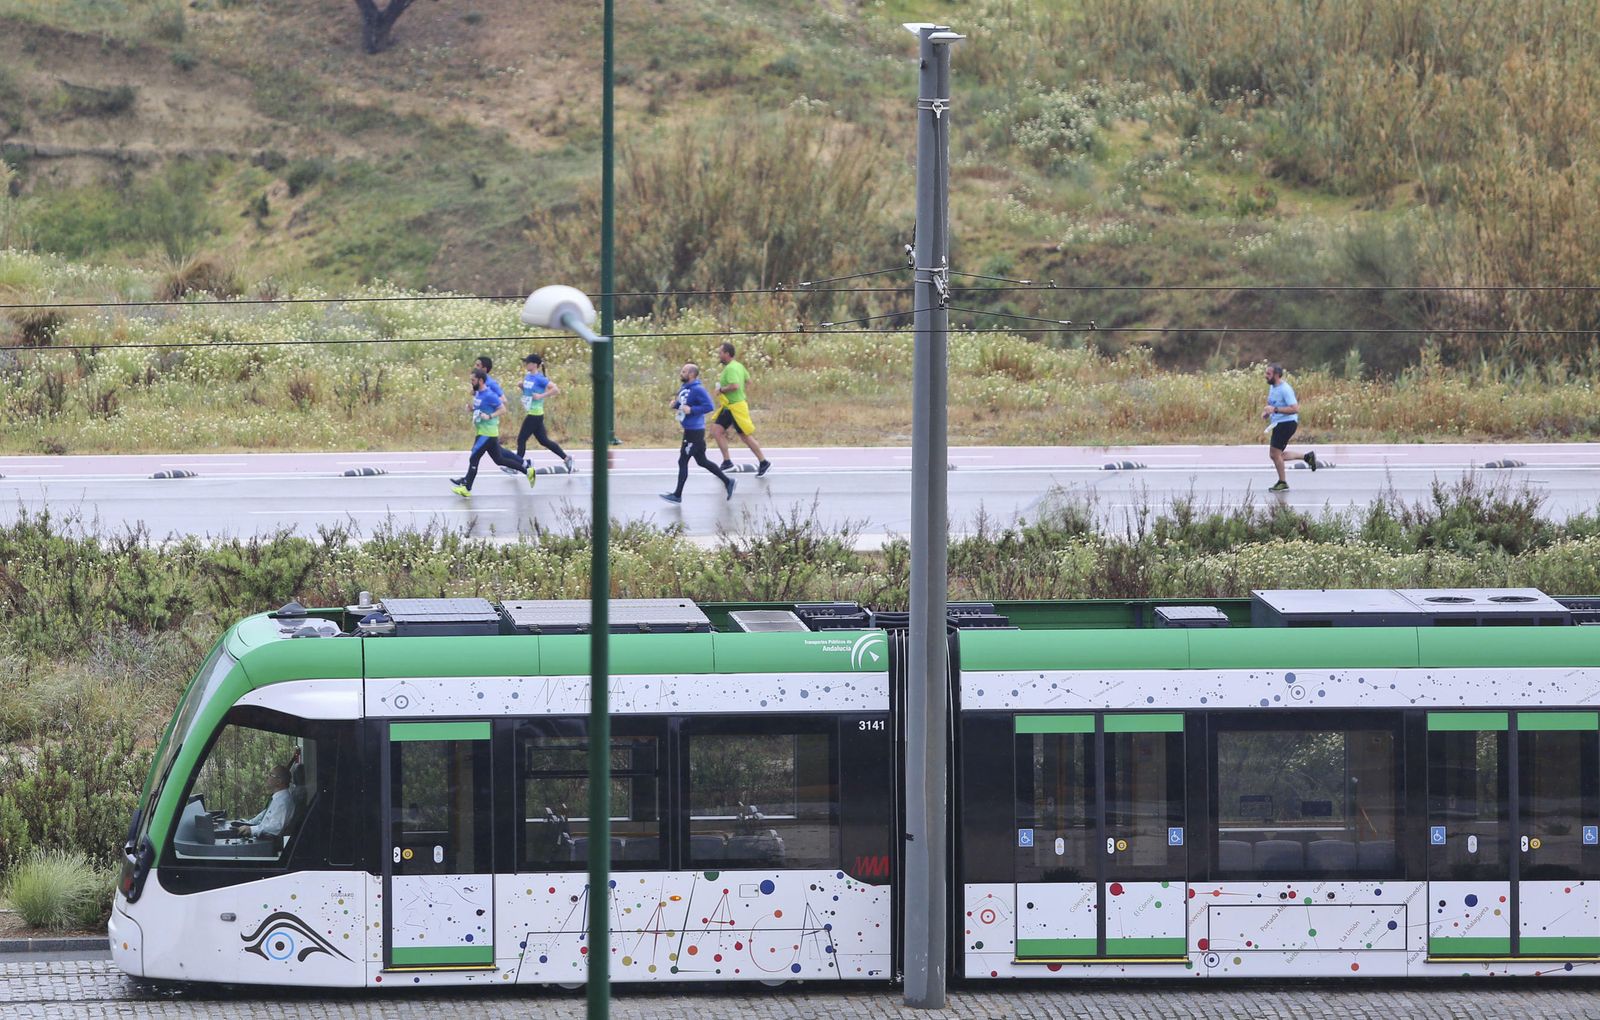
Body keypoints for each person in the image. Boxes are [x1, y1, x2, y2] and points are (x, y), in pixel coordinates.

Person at [452, 368, 534, 497]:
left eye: (473, 380)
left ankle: (466, 488)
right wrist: (472, 409)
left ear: (480, 380)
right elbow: (480, 408)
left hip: (487, 433)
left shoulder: (490, 394)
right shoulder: (478, 393)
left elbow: (502, 409)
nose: (471, 382)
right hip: (483, 432)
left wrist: (489, 416)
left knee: (474, 457)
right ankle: (527, 471)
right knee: (499, 459)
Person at [661, 363, 735, 504]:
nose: (681, 373)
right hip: (690, 430)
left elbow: (709, 406)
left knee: (683, 460)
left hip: (695, 431)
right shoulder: (684, 388)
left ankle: (677, 495)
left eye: (684, 371)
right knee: (702, 461)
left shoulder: (698, 389)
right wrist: (676, 405)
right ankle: (728, 481)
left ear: (692, 375)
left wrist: (692, 410)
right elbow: (685, 406)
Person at [710, 342, 770, 476]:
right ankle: (727, 462)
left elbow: (735, 385)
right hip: (729, 406)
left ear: (727, 354)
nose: (719, 355)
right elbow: (748, 382)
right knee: (716, 430)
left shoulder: (731, 368)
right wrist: (741, 394)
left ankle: (763, 461)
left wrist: (721, 389)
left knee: (745, 436)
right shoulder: (739, 366)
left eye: (720, 352)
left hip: (736, 407)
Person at [515, 354, 575, 473]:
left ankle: (516, 466)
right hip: (532, 412)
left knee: (521, 440)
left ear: (534, 365)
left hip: (535, 414)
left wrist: (541, 396)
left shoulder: (540, 378)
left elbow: (555, 389)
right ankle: (567, 458)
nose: (525, 364)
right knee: (543, 441)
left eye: (527, 362)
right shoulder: (528, 376)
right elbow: (529, 393)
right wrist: (522, 387)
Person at [1262, 362, 1317, 491]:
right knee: (1276, 455)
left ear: (1276, 375)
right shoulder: (1273, 387)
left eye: (1268, 374)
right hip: (1279, 423)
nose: (1266, 376)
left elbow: (1295, 408)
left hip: (1287, 423)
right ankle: (1307, 457)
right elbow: (1272, 404)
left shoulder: (1285, 389)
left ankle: (1282, 482)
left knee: (1275, 454)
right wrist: (1266, 412)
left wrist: (1275, 410)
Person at [234, 765, 293, 839]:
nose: (267, 777)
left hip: (269, 844)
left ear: (279, 781)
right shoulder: (277, 799)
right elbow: (262, 817)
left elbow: (276, 827)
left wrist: (251, 830)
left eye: (271, 775)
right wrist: (247, 823)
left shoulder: (283, 802)